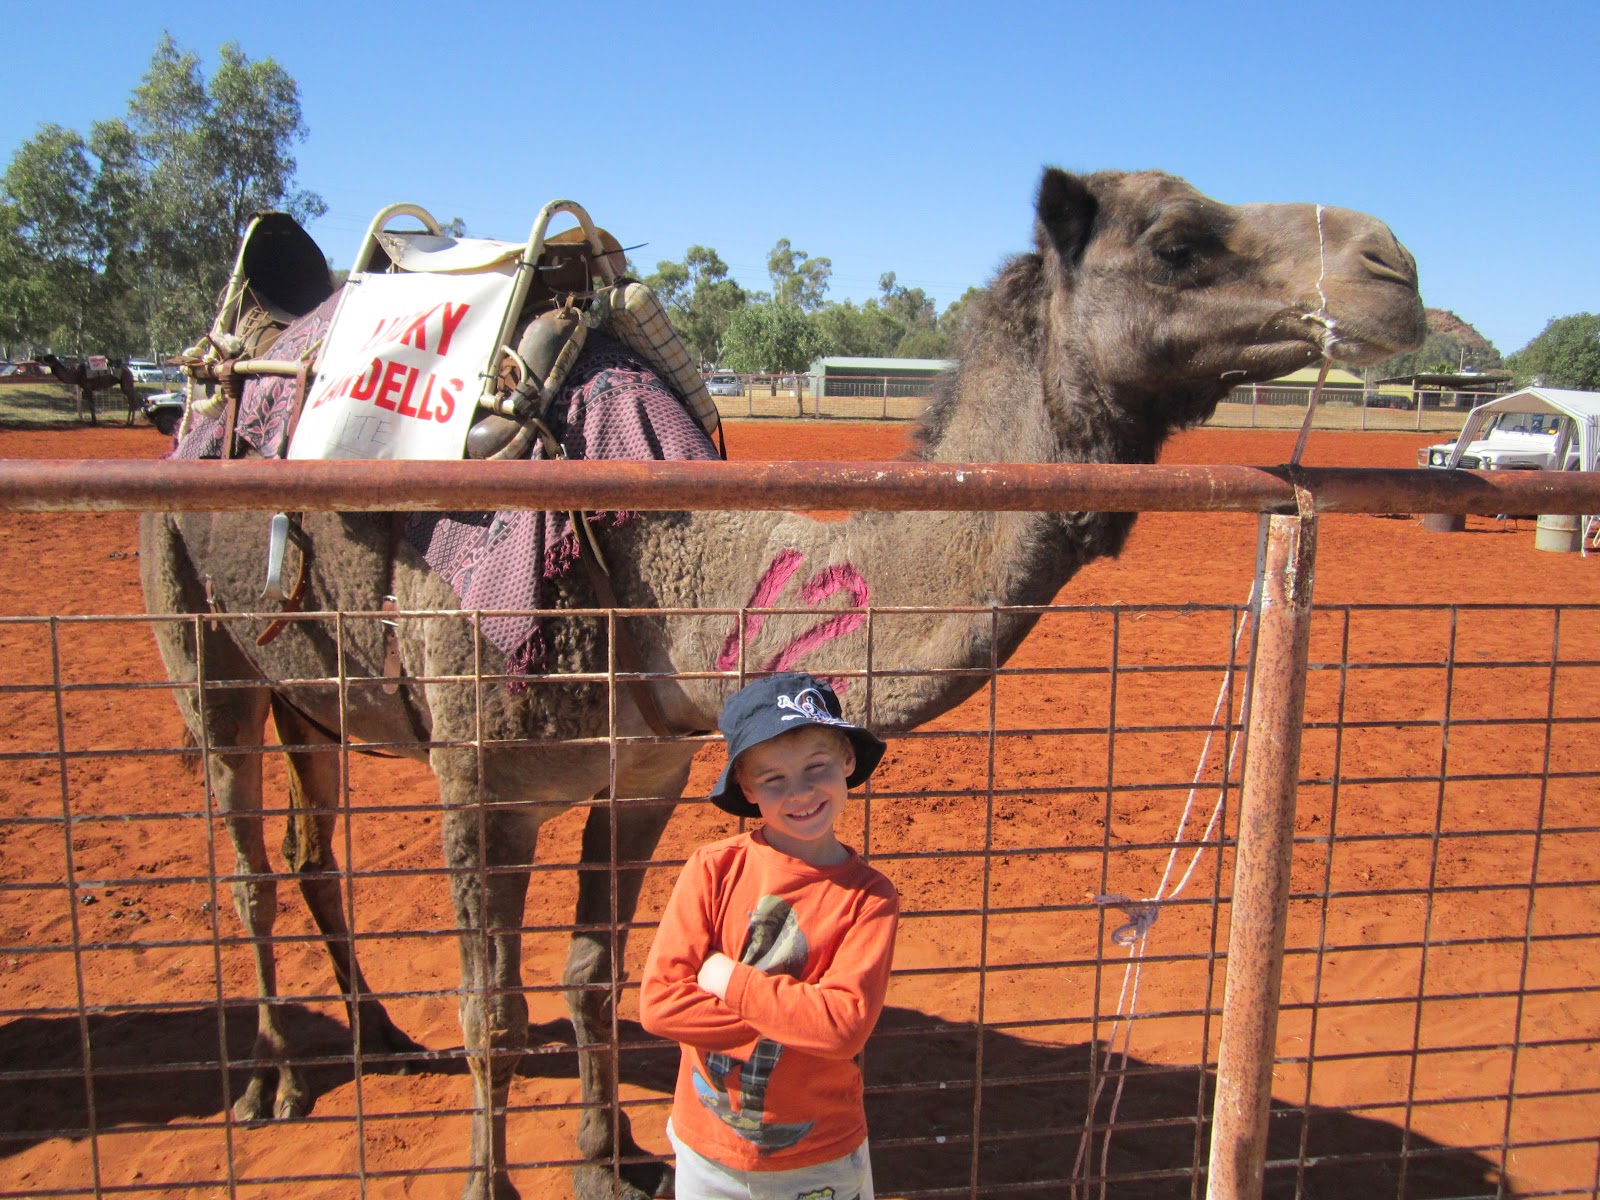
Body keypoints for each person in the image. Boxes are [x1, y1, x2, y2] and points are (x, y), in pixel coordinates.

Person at [640, 671, 899, 1200]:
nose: (800, 792)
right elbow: (660, 1005)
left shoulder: (870, 897)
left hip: (819, 1157)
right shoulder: (712, 869)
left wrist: (724, 978)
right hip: (706, 1148)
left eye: (816, 767)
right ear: (747, 786)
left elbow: (841, 1029)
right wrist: (799, 1019)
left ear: (847, 761)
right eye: (773, 778)